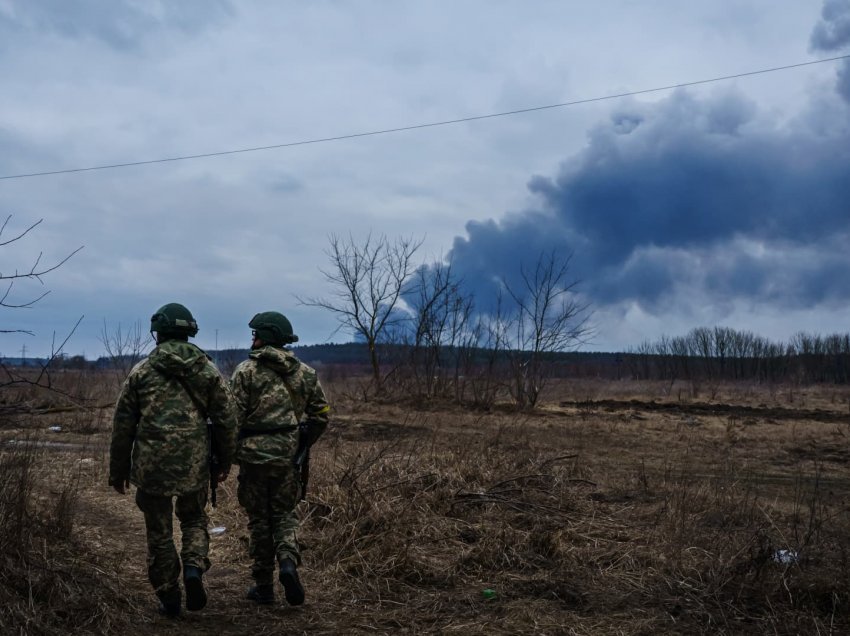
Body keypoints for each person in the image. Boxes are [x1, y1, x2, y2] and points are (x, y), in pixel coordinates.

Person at [109, 303, 237, 617]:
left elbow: (123, 424)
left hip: (152, 467)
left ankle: (168, 593)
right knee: (193, 519)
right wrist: (224, 460)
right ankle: (193, 567)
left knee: (159, 531)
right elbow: (226, 418)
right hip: (194, 464)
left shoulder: (141, 372)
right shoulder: (207, 370)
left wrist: (119, 470)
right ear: (189, 332)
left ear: (159, 333)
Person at [230, 311, 330, 606]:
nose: (253, 338)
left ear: (265, 337)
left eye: (255, 334)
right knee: (284, 515)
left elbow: (232, 420)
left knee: (259, 520)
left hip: (253, 458)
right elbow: (322, 415)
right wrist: (302, 443)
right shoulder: (306, 373)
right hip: (288, 456)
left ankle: (263, 586)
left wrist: (230, 453)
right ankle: (288, 562)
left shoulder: (245, 371)